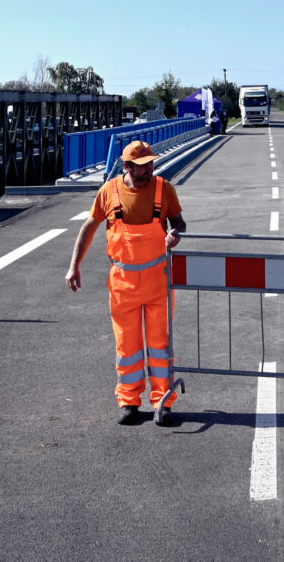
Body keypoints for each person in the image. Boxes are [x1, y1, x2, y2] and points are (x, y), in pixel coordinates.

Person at [65, 141, 186, 426]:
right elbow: (89, 227)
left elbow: (179, 222)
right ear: (127, 166)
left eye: (151, 163)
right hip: (123, 285)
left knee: (160, 345)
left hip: (159, 282)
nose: (149, 168)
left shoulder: (164, 189)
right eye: (142, 165)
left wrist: (176, 233)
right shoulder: (109, 192)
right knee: (127, 346)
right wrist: (74, 266)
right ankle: (129, 401)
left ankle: (163, 401)